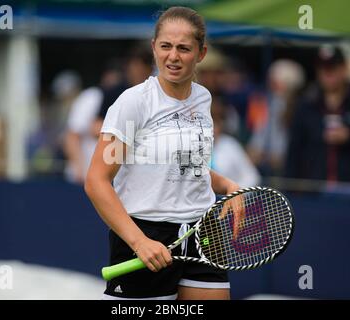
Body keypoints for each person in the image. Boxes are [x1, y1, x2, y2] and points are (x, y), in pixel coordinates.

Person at [85, 7, 242, 300]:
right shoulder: (133, 102)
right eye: (166, 46)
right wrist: (139, 242)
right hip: (145, 234)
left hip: (202, 231)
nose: (173, 56)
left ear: (201, 53)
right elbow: (96, 181)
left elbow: (189, 166)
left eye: (184, 48)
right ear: (154, 47)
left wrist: (229, 187)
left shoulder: (203, 99)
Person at [285, 44, 350, 183]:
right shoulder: (306, 105)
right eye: (322, 68)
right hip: (313, 190)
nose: (327, 73)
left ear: (344, 69)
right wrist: (291, 188)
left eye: (332, 68)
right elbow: (294, 152)